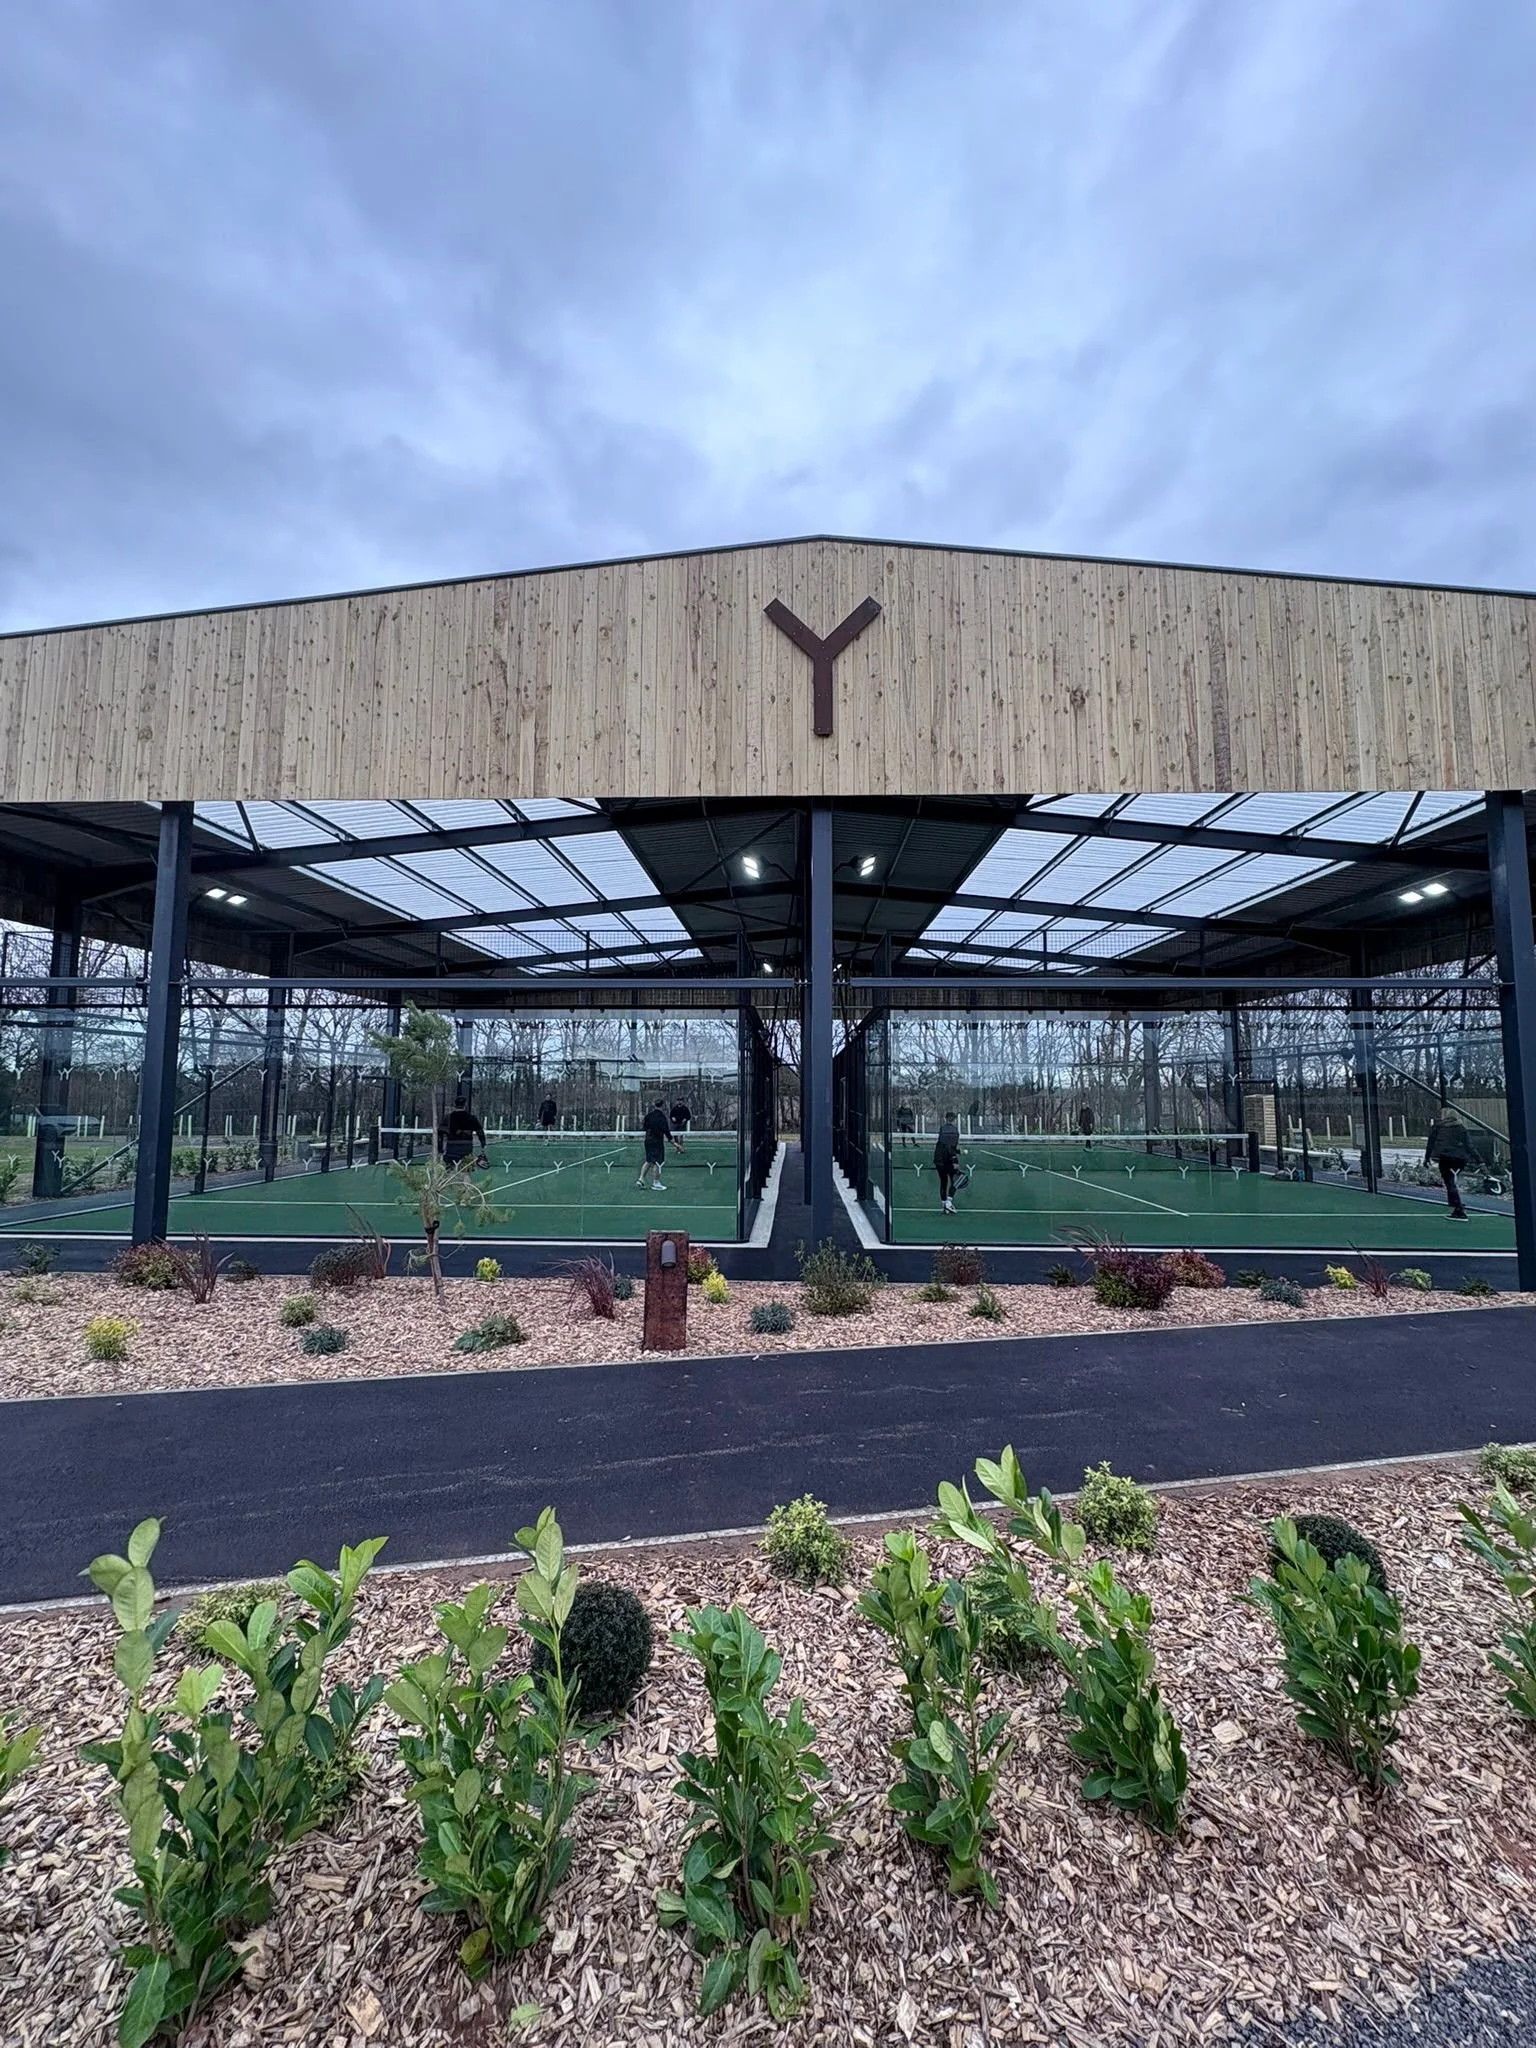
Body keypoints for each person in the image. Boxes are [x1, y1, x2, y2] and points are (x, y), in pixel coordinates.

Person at [1424, 1108, 1472, 1219]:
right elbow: (1470, 1146)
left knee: (1450, 1182)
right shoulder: (1461, 1128)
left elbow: (1430, 1144)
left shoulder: (1438, 1128)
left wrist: (1427, 1158)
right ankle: (1456, 1203)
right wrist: (1480, 1162)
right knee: (1451, 1181)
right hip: (1461, 1160)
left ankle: (1458, 1208)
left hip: (1446, 1159)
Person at [636, 1097, 679, 1190]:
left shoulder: (648, 1116)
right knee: (658, 1162)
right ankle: (656, 1182)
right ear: (663, 1106)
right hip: (657, 1142)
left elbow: (645, 1127)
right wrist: (675, 1144)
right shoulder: (662, 1118)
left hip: (647, 1140)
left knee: (648, 1160)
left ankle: (641, 1178)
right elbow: (666, 1132)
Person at [440, 1098, 488, 1169]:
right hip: (467, 1147)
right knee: (466, 1169)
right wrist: (483, 1144)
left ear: (455, 1105)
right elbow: (480, 1132)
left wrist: (440, 1148)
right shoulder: (471, 1118)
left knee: (450, 1169)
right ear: (465, 1106)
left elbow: (440, 1132)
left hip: (452, 1148)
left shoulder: (448, 1118)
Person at [934, 1111, 962, 1215]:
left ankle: (944, 1206)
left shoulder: (942, 1129)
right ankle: (949, 1202)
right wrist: (955, 1159)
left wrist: (957, 1151)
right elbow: (951, 1148)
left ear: (946, 1119)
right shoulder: (955, 1131)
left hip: (938, 1159)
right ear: (954, 1119)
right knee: (955, 1180)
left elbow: (944, 1146)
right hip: (949, 1160)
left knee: (943, 1182)